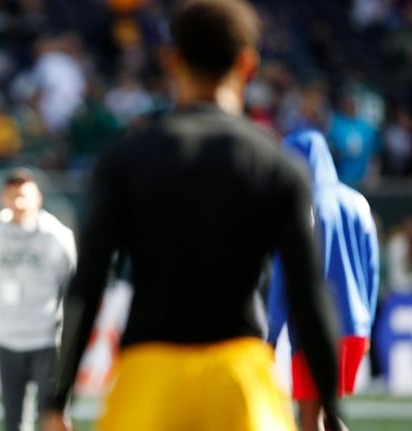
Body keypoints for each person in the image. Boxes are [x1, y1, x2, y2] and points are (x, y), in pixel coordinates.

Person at [43, 1, 343, 430]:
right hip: (240, 377)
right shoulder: (278, 165)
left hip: (149, 373)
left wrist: (58, 400)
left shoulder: (126, 159)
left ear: (171, 60)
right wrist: (331, 409)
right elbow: (309, 296)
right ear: (248, 63)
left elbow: (87, 283)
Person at [267, 129, 380, 431]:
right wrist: (366, 323)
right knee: (329, 413)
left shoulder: (300, 202)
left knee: (309, 419)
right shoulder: (359, 202)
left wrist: (271, 333)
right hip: (354, 330)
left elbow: (283, 275)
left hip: (312, 328)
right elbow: (373, 270)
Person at [0, 168, 76, 431]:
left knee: (52, 415)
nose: (18, 203)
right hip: (8, 335)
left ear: (38, 198)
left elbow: (70, 283)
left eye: (24, 196)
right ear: (2, 198)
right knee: (13, 419)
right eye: (12, 196)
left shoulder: (57, 235)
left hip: (47, 335)